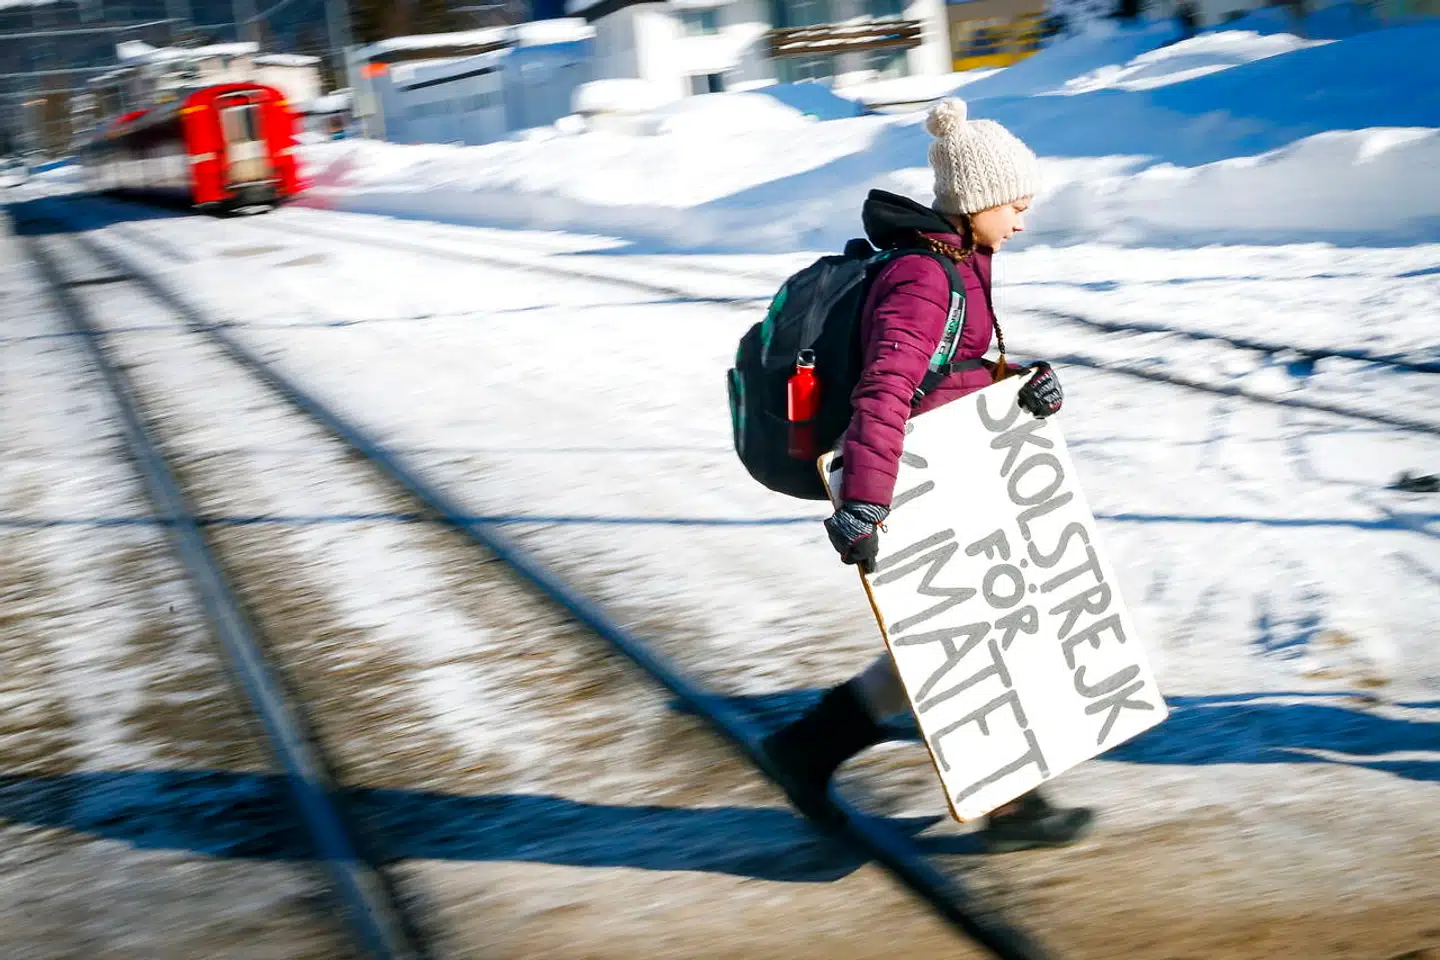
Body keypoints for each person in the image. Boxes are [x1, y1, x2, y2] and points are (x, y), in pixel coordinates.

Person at [761, 98, 1095, 854]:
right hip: (913, 484)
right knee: (978, 639)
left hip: (950, 471)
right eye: (1016, 206)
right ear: (976, 202)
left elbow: (952, 370)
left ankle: (807, 749)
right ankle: (1011, 803)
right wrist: (864, 505)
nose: (1023, 222)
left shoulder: (958, 266)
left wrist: (1021, 381)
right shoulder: (923, 278)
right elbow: (885, 390)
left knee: (947, 641)